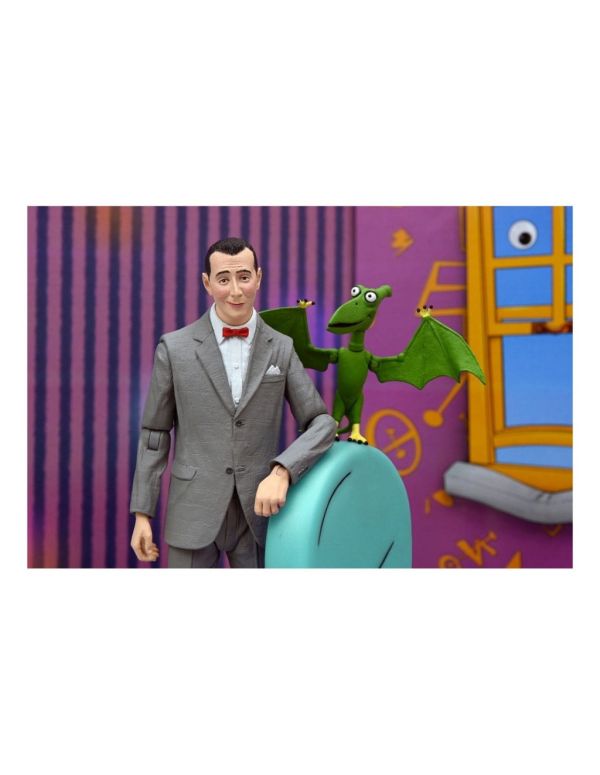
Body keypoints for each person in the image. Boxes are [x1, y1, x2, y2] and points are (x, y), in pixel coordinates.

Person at [129, 237, 336, 568]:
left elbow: (322, 422)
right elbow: (155, 434)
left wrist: (284, 470)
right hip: (194, 511)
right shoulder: (175, 348)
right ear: (207, 283)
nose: (236, 291)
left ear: (258, 277)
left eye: (244, 277)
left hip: (260, 515)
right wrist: (142, 512)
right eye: (224, 279)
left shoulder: (281, 347)